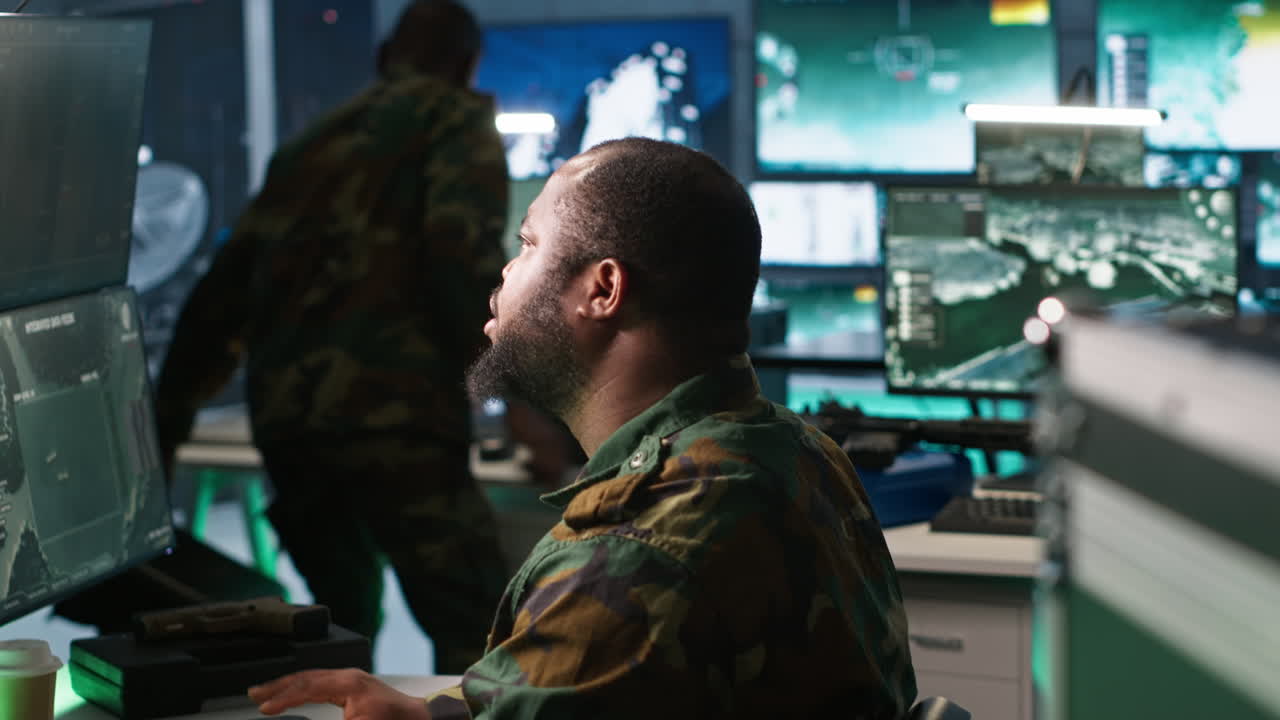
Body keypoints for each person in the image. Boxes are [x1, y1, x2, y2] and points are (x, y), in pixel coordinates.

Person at [248, 138, 917, 718]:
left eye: (529, 245)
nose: (504, 276)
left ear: (602, 290)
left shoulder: (639, 552)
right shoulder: (796, 451)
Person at [151, 0, 509, 673]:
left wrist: (163, 438)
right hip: (396, 420)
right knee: (482, 634)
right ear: (466, 64)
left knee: (339, 634)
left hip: (292, 430)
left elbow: (222, 296)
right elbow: (459, 258)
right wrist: (523, 398)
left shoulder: (309, 147)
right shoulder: (455, 117)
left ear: (384, 59)